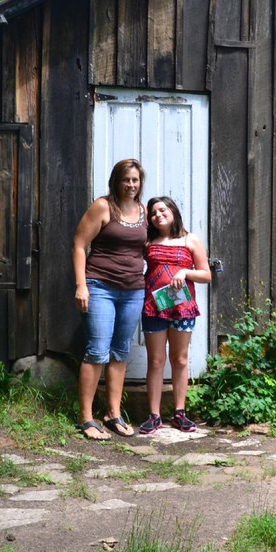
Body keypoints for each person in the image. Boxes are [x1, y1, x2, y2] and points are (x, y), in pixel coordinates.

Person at [71, 158, 148, 439]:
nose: (131, 185)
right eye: (126, 179)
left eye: (135, 180)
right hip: (100, 287)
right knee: (97, 351)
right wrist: (82, 286)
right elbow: (80, 245)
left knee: (119, 352)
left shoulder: (144, 211)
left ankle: (112, 413)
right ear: (116, 181)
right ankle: (86, 418)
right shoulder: (103, 206)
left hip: (133, 290)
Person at [138, 196, 211, 434]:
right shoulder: (148, 242)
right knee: (156, 361)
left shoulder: (191, 239)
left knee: (179, 360)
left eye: (162, 209)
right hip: (154, 306)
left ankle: (180, 413)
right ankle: (154, 415)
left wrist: (185, 272)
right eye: (153, 213)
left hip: (182, 308)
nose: (157, 215)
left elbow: (206, 274)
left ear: (172, 210)